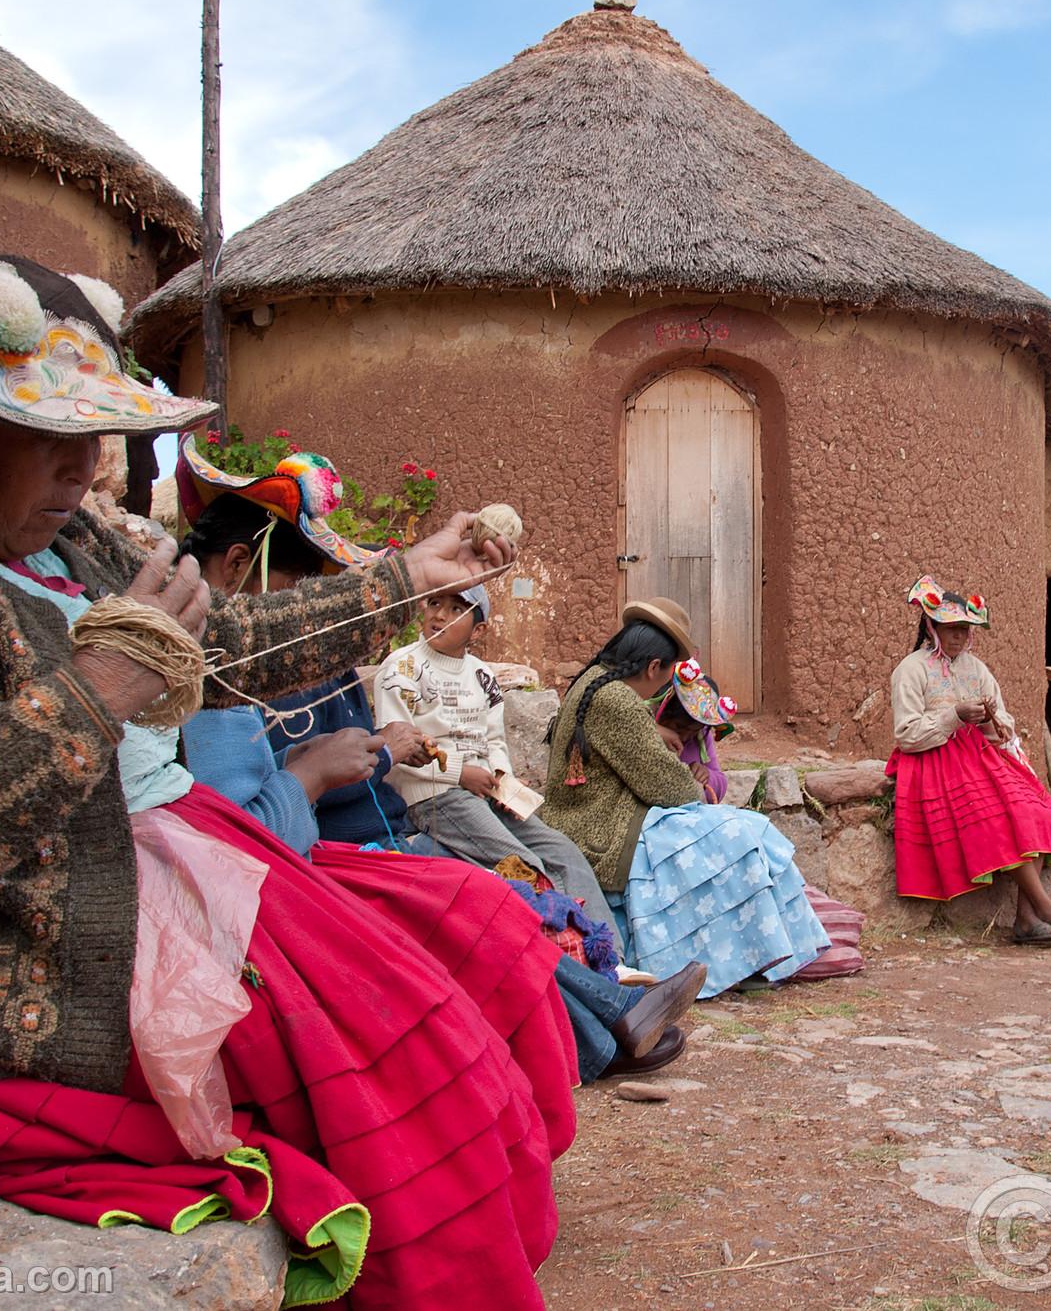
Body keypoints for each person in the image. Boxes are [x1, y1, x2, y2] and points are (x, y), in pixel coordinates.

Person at [0, 173, 553, 1308]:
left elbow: (220, 633)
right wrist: (92, 694)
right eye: (53, 442)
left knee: (472, 937)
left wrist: (402, 581)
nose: (87, 474)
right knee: (391, 1040)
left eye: (97, 442)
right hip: (31, 928)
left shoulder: (55, 540)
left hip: (161, 865)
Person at [173, 456, 703, 1082]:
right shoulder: (220, 692)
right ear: (239, 569)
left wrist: (493, 778)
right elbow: (240, 842)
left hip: (412, 818)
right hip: (374, 831)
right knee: (489, 894)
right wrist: (335, 768)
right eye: (304, 595)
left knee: (524, 873)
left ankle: (613, 992)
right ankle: (602, 1027)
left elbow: (487, 740)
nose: (311, 616)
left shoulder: (464, 677)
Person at [542, 598, 830, 996]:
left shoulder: (593, 681)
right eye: (663, 680)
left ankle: (752, 956)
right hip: (604, 831)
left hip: (593, 816)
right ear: (653, 667)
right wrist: (690, 779)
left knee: (741, 830)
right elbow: (671, 789)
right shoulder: (617, 700)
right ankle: (749, 956)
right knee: (744, 833)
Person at [373, 583, 620, 940]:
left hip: (483, 791)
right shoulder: (403, 668)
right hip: (432, 795)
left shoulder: (482, 676)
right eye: (435, 603)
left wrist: (500, 778)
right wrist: (461, 774)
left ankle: (614, 957)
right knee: (525, 866)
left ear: (479, 629)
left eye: (457, 609)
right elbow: (397, 749)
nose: (440, 615)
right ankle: (581, 961)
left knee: (562, 850)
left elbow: (493, 740)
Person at [888, 574, 1051, 947]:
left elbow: (1006, 725)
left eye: (964, 629)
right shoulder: (911, 670)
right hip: (935, 761)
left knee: (1037, 809)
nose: (959, 637)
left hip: (982, 755)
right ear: (931, 626)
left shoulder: (976, 669)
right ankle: (1048, 910)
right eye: (950, 629)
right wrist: (954, 716)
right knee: (996, 816)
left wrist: (993, 722)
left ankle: (1027, 918)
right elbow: (907, 735)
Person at [653, 658, 738, 803]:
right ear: (662, 711)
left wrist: (708, 776)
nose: (685, 736)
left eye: (693, 731)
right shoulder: (643, 728)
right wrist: (654, 731)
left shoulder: (700, 737)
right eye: (679, 727)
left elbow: (721, 783)